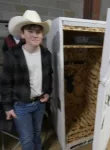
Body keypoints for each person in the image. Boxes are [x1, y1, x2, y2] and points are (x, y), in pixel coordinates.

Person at [1, 10, 53, 150]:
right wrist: (7, 107)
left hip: (39, 103)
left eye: (38, 32)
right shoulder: (13, 55)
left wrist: (48, 92)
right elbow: (6, 83)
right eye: (31, 31)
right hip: (21, 105)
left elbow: (49, 76)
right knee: (27, 138)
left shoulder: (46, 54)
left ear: (42, 35)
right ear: (22, 34)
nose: (35, 35)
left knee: (37, 134)